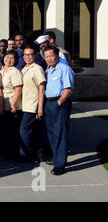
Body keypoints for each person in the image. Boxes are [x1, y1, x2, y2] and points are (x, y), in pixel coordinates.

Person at [43, 45, 74, 175]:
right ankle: (57, 158)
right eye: (46, 57)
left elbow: (68, 88)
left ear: (57, 55)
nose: (49, 59)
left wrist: (59, 102)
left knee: (60, 133)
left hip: (60, 103)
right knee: (52, 133)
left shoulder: (64, 68)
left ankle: (60, 165)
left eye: (51, 56)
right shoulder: (49, 70)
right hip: (49, 104)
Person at [20, 44, 49, 163]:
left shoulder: (37, 68)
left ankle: (25, 155)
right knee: (35, 130)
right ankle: (36, 154)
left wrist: (40, 108)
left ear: (36, 55)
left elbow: (41, 88)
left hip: (33, 105)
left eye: (30, 54)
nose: (27, 57)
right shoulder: (25, 68)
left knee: (24, 130)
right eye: (25, 54)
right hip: (25, 104)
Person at [0, 50, 23, 159]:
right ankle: (7, 152)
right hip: (3, 105)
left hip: (12, 106)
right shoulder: (1, 70)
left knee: (13, 131)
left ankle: (14, 154)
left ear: (16, 60)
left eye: (11, 58)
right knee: (6, 130)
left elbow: (18, 89)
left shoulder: (14, 71)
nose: (8, 59)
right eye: (6, 57)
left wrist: (13, 104)